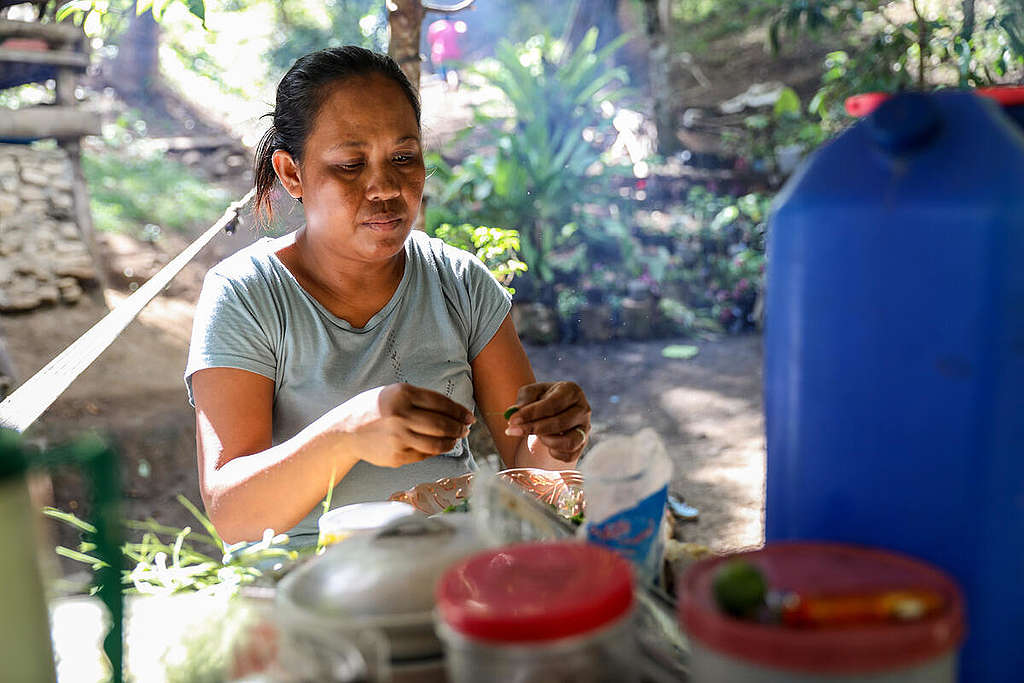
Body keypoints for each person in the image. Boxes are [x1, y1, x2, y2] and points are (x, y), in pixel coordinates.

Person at [184, 46, 592, 547]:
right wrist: (349, 432)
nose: (385, 187)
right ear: (293, 174)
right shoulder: (247, 296)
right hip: (300, 584)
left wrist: (556, 438)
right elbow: (232, 514)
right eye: (351, 164)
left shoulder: (460, 284)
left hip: (448, 567)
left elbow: (529, 469)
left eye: (404, 157)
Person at [427, 18, 466, 91]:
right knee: (455, 70)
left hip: (440, 54)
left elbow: (430, 41)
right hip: (454, 53)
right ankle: (456, 87)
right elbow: (463, 37)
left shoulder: (435, 27)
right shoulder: (455, 25)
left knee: (443, 73)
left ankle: (445, 87)